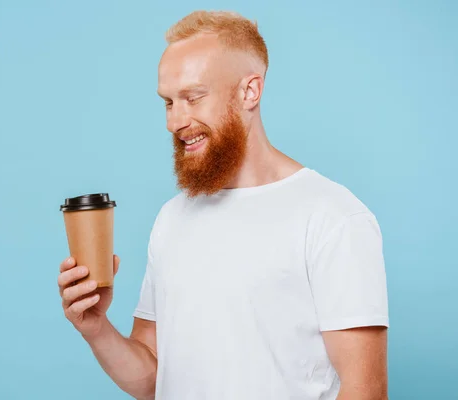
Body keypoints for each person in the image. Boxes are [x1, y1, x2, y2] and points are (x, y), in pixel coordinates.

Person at [58, 10, 389, 400]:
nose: (174, 121)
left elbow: (365, 390)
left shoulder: (333, 217)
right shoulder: (172, 218)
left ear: (250, 91)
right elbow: (153, 380)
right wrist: (97, 329)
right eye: (168, 102)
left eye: (193, 98)